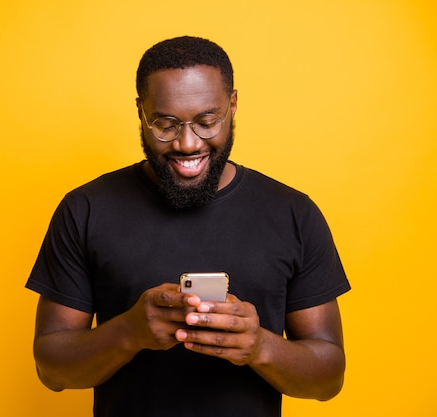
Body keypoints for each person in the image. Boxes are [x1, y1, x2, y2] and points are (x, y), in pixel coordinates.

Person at [26, 36, 350, 417]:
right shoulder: (85, 210)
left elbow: (328, 379)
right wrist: (130, 332)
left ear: (232, 106)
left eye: (207, 121)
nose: (186, 143)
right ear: (141, 112)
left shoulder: (294, 213)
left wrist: (259, 347)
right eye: (165, 124)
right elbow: (51, 369)